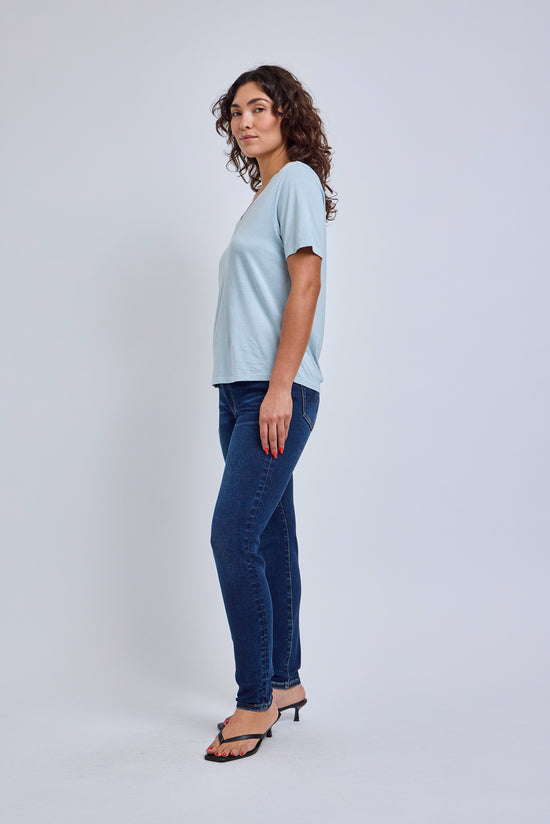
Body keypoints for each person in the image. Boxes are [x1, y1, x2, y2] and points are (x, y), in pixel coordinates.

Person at [205, 65, 337, 763]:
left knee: (233, 538)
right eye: (236, 113)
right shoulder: (262, 197)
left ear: (287, 114)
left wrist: (281, 386)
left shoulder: (297, 183)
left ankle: (253, 700)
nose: (245, 121)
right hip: (237, 391)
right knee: (271, 535)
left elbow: (306, 282)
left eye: (259, 107)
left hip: (271, 389)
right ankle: (284, 681)